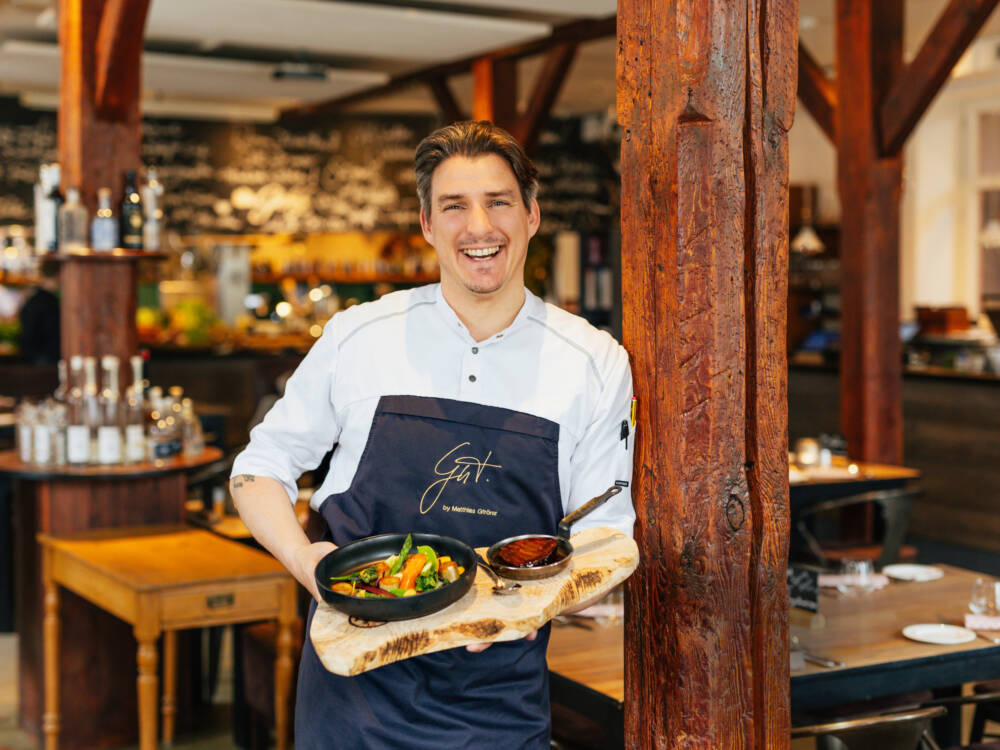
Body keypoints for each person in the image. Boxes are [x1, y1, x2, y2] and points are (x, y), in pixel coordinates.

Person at [230, 120, 635, 748]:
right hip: (354, 693)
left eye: (498, 202)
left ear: (532, 215)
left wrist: (530, 605)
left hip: (498, 698)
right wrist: (306, 562)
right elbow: (260, 468)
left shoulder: (593, 361)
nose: (479, 226)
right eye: (455, 206)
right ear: (426, 225)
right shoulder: (358, 335)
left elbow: (605, 537)